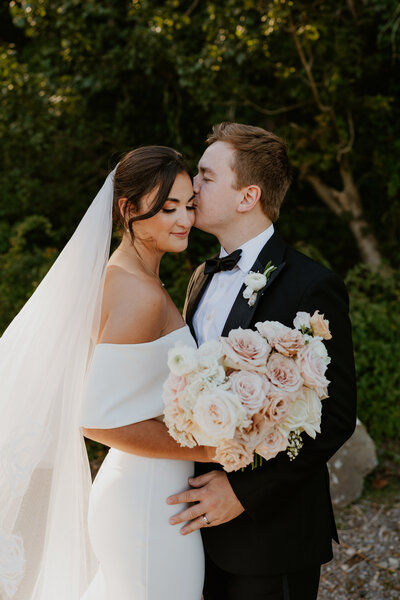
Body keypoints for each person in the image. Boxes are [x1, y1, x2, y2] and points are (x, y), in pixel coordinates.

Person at [0, 146, 214, 600]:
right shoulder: (138, 293)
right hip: (148, 502)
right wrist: (213, 448)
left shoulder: (130, 278)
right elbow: (98, 419)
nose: (184, 220)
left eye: (189, 205)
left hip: (146, 492)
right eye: (167, 207)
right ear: (128, 209)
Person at [167, 122, 357, 600]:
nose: (192, 186)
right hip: (195, 526)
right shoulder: (200, 277)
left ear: (247, 196)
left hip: (272, 533)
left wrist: (242, 494)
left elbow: (335, 418)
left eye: (207, 177)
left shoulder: (312, 287)